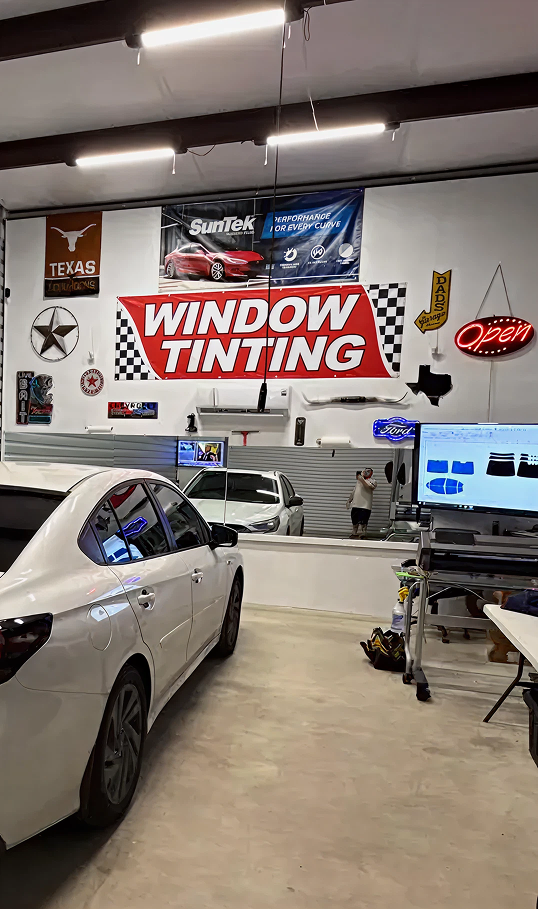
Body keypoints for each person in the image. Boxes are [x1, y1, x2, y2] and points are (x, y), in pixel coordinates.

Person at [346, 468, 377, 538]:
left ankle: (363, 533)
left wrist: (361, 478)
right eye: (365, 471)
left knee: (363, 522)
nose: (366, 472)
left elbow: (369, 486)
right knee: (354, 521)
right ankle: (354, 533)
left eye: (368, 471)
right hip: (356, 505)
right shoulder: (359, 482)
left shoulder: (372, 481)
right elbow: (354, 491)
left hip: (365, 506)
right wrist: (349, 500)